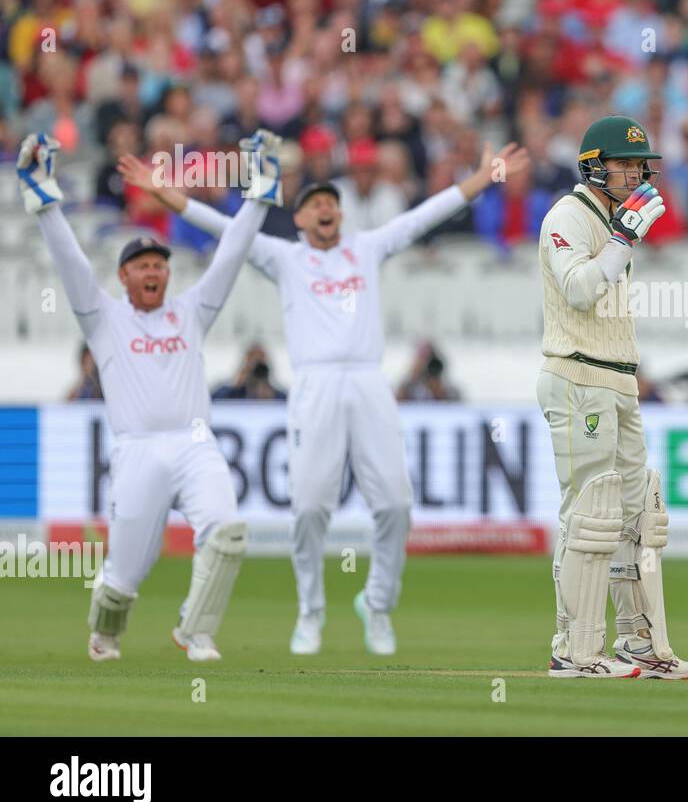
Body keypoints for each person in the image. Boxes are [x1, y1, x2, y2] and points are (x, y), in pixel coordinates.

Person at [119, 132, 528, 656]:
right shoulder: (283, 257)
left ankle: (377, 604)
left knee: (397, 505)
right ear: (300, 219)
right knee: (311, 507)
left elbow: (426, 214)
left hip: (368, 381)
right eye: (315, 205)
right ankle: (310, 611)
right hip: (314, 386)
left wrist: (484, 175)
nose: (326, 209)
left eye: (332, 203)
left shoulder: (367, 247)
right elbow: (222, 227)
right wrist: (162, 192)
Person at [20, 130, 281, 662]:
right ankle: (105, 633)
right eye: (142, 265)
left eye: (160, 264)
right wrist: (44, 197)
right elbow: (70, 263)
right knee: (123, 576)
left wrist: (257, 196)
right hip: (138, 449)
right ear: (123, 276)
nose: (154, 271)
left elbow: (230, 255)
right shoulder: (103, 317)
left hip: (194, 443)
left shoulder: (191, 310)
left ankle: (196, 631)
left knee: (227, 533)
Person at [536, 114, 688, 679]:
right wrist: (623, 240)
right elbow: (580, 291)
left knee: (638, 516)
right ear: (593, 166)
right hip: (577, 377)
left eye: (640, 164)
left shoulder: (612, 220)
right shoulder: (568, 216)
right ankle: (574, 650)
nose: (635, 173)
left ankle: (639, 644)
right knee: (591, 515)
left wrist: (620, 237)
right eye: (625, 163)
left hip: (619, 380)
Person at [213, 344, 286, 400]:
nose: (256, 369)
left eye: (260, 362)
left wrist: (272, 397)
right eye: (252, 362)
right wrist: (236, 387)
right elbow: (214, 401)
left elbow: (288, 403)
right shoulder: (233, 392)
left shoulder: (276, 394)